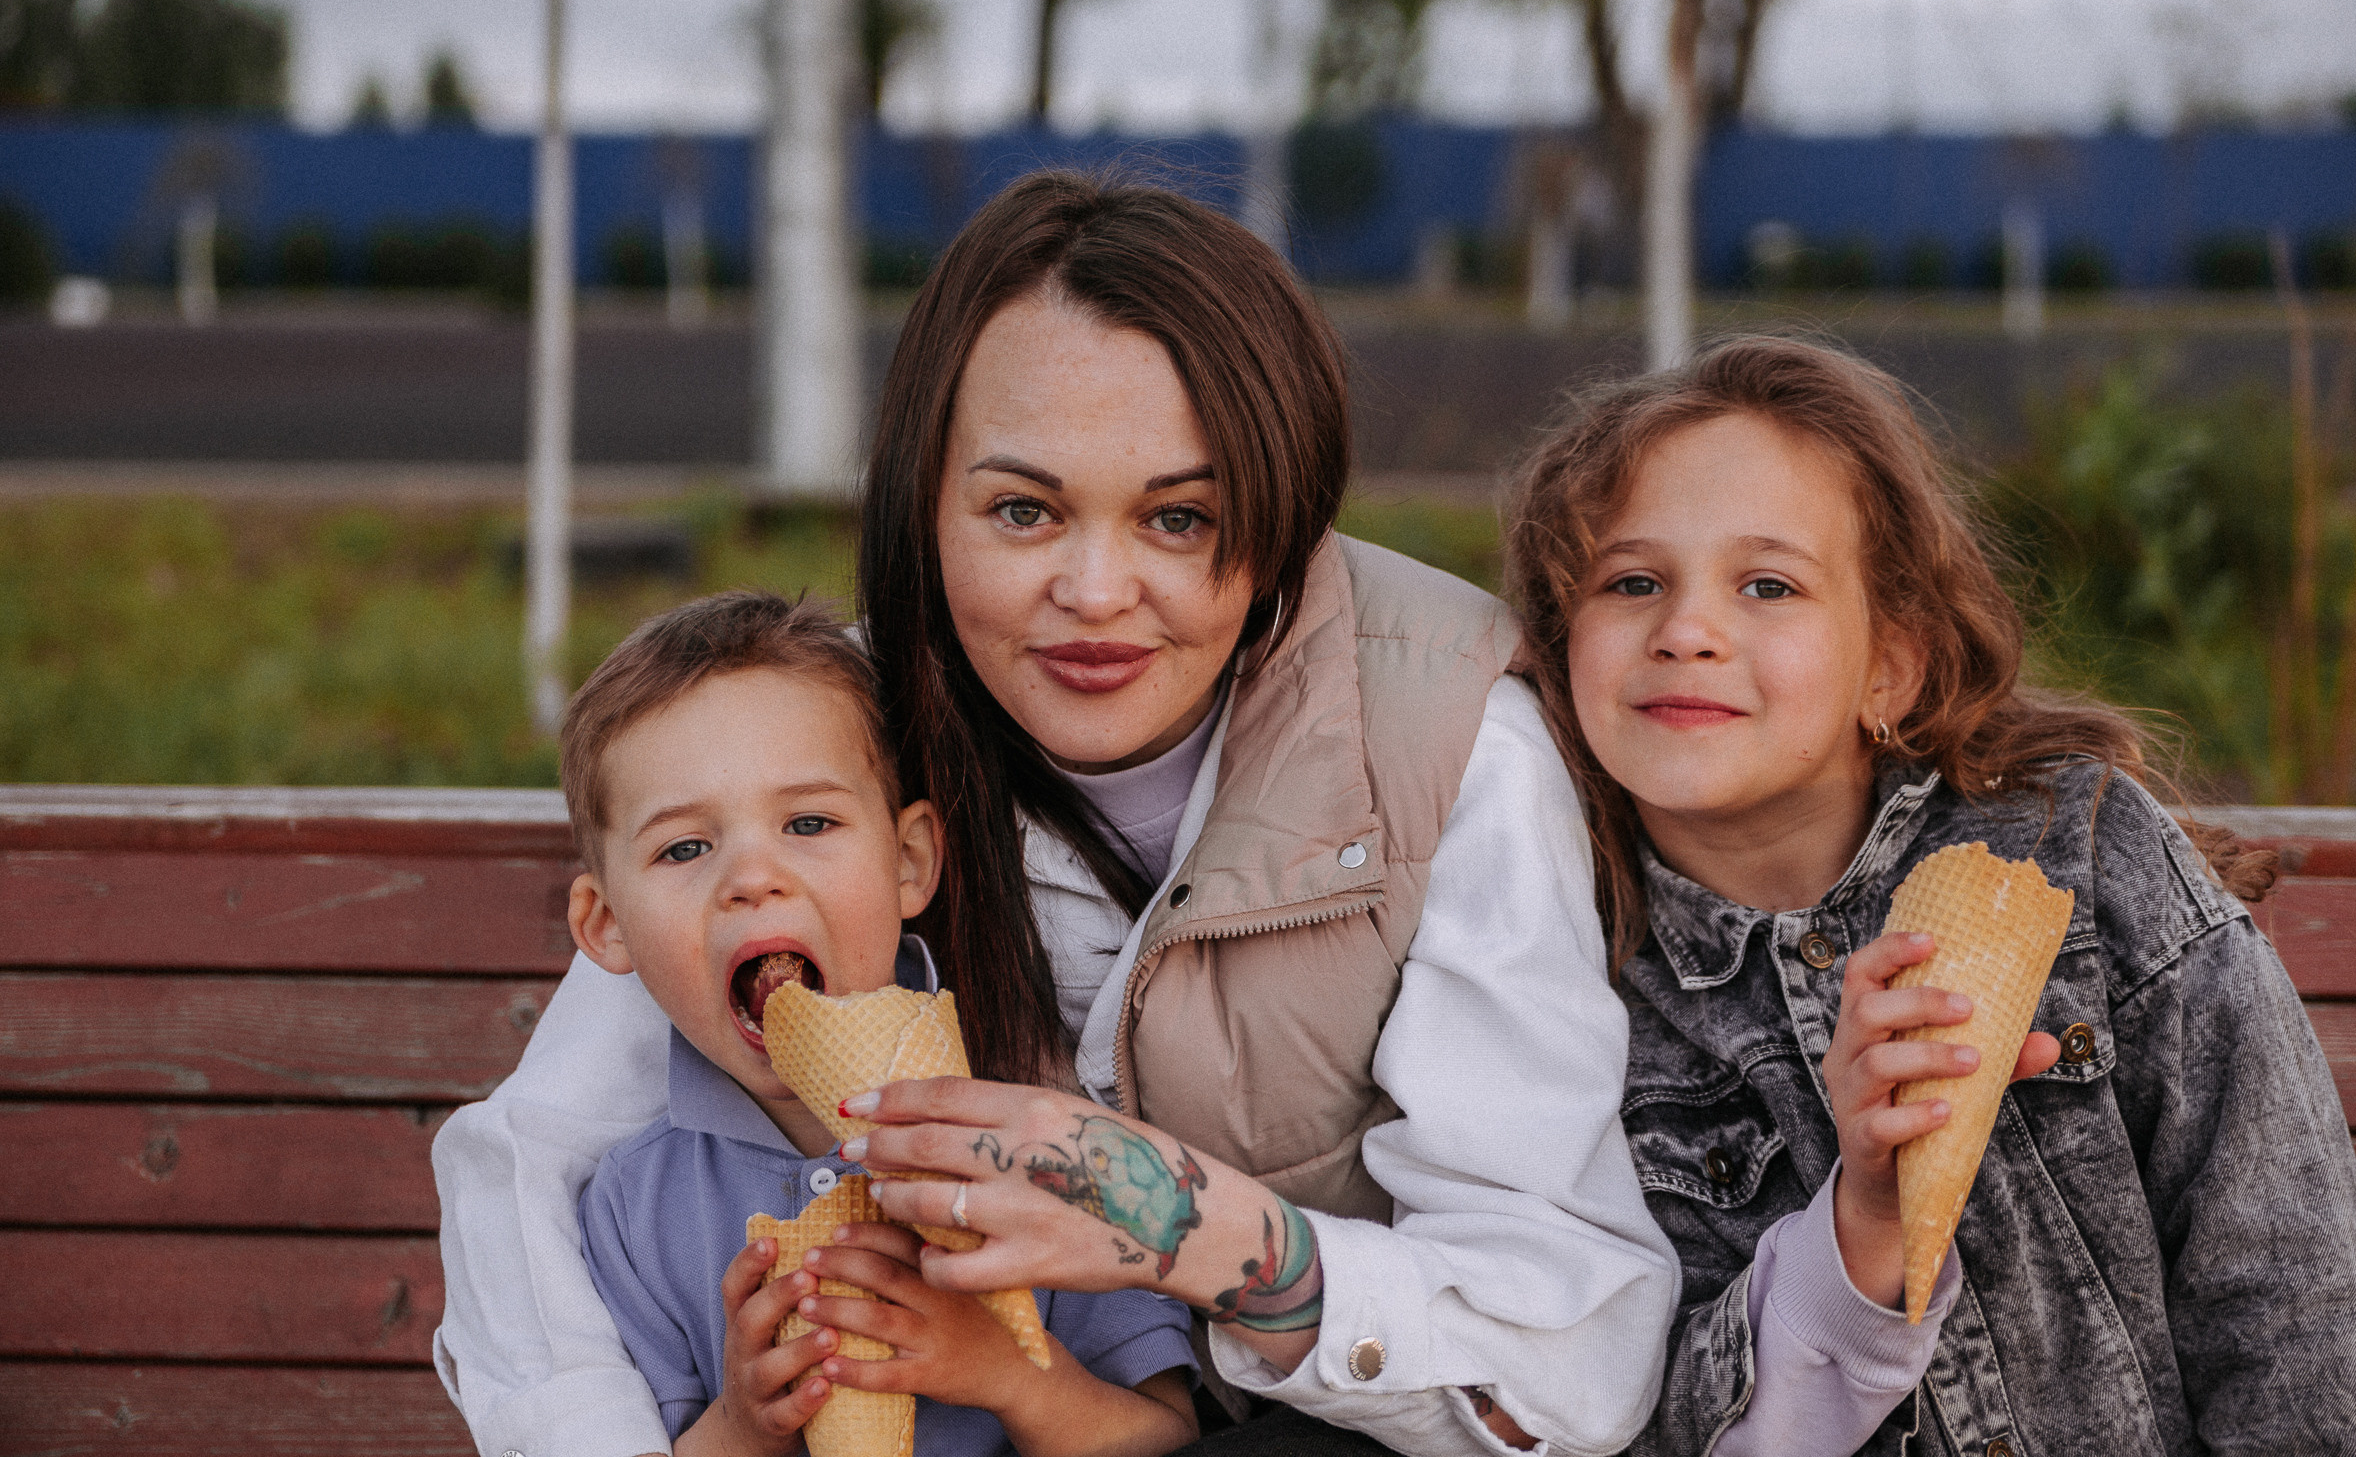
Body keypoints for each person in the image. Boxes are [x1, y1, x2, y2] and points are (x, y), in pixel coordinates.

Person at [432, 172, 1681, 1457]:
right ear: (928, 501)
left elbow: (1568, 1358)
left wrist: (1188, 1229)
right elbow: (532, 1164)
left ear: (1283, 508)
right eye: (1023, 510)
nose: (1094, 592)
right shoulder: (813, 758)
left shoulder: (1453, 741)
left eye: (1179, 516)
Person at [1503, 336, 2356, 1455]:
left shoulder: (2081, 856)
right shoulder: (1561, 975)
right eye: (1632, 582)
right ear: (1559, 640)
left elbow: (2287, 1298)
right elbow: (1620, 1419)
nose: (1686, 629)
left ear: (1894, 663)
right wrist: (1860, 1226)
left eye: (1768, 584)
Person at [555, 590, 1200, 1457]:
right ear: (607, 927)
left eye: (809, 823)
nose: (754, 877)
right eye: (685, 848)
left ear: (908, 862)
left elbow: (1163, 1435)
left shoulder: (1035, 1140)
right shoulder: (633, 1209)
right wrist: (745, 1426)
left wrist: (1008, 1373)